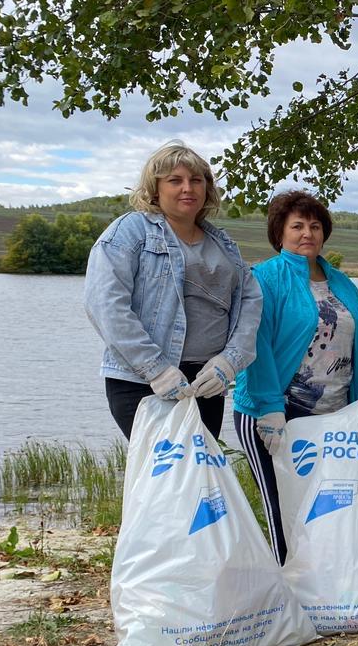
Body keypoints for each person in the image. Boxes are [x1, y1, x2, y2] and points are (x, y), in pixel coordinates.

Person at [232, 190, 358, 565]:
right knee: (282, 505)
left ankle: (321, 586)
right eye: (296, 225)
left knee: (325, 504)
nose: (307, 233)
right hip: (274, 414)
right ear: (279, 233)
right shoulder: (265, 279)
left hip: (332, 416)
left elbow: (355, 350)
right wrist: (268, 408)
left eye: (314, 225)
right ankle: (287, 588)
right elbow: (256, 346)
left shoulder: (342, 283)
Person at [85, 141, 261, 439]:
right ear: (155, 189)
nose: (187, 188)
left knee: (199, 479)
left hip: (207, 382)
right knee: (163, 480)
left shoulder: (223, 243)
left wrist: (229, 362)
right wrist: (156, 369)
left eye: (196, 180)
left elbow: (250, 301)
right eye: (174, 180)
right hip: (144, 382)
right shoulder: (130, 232)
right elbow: (106, 305)